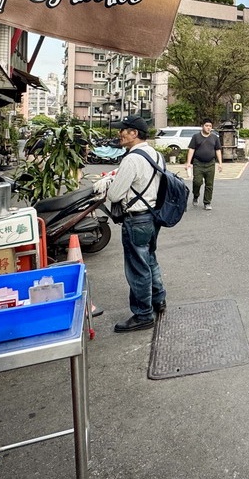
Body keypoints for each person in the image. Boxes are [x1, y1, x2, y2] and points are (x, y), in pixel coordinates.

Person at [95, 115, 166, 332]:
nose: (120, 134)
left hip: (136, 219)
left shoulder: (132, 159)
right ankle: (159, 299)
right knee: (150, 259)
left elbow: (115, 195)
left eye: (123, 130)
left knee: (138, 268)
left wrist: (109, 182)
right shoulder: (156, 154)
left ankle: (143, 314)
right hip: (153, 216)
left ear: (134, 133)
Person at [186, 118, 224, 211]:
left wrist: (220, 163)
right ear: (202, 126)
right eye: (206, 126)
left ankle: (207, 202)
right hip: (198, 163)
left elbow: (218, 150)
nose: (208, 128)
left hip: (210, 163)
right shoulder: (196, 137)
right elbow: (191, 149)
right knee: (197, 181)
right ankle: (196, 195)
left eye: (210, 126)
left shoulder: (214, 137)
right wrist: (188, 163)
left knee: (209, 184)